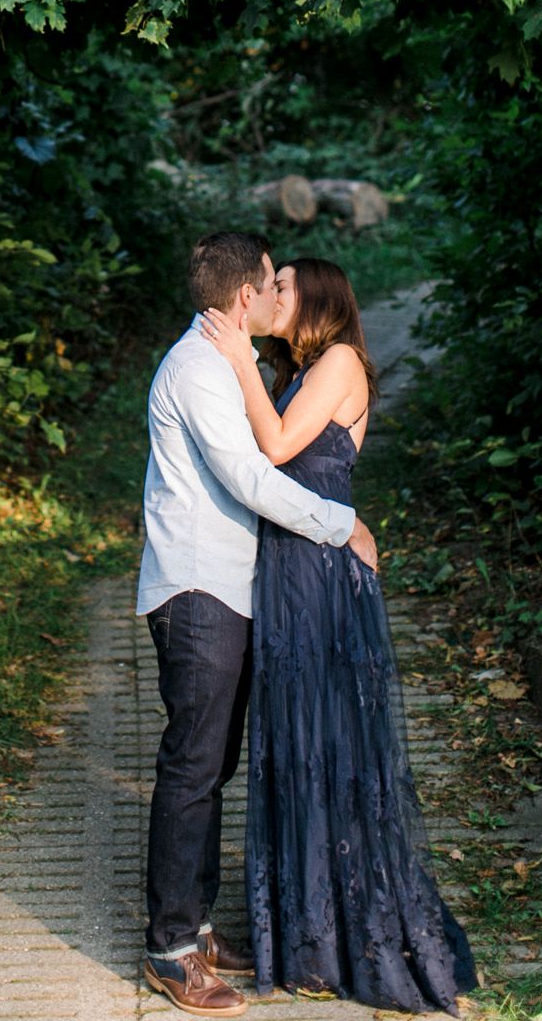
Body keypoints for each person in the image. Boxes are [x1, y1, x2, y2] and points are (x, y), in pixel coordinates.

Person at [200, 256, 478, 1015]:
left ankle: (346, 929)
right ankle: (305, 934)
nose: (271, 295)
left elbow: (281, 446)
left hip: (321, 576)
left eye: (283, 286)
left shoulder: (341, 360)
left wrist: (238, 362)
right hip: (286, 573)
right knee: (292, 743)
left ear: (318, 297)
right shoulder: (292, 369)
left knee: (331, 743)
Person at [139, 232, 378, 1018]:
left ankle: (197, 927)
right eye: (270, 282)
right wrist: (340, 525)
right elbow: (250, 475)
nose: (277, 292)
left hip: (229, 591)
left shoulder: (224, 364)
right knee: (192, 766)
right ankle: (171, 951)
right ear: (248, 298)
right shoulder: (202, 367)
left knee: (211, 767)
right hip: (200, 589)